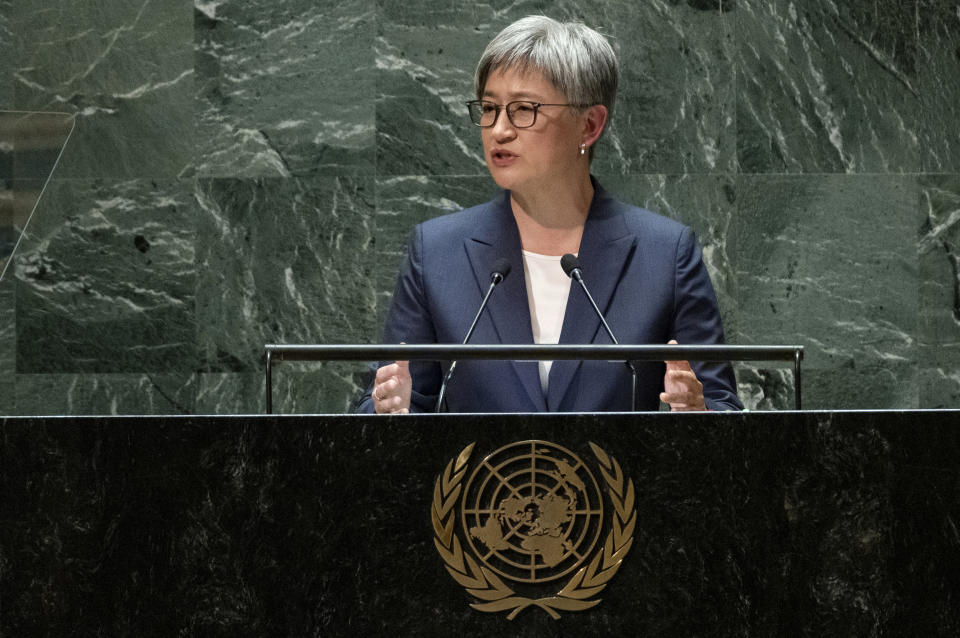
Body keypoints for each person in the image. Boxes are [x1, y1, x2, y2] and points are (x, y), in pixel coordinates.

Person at [357, 15, 741, 414]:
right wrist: (387, 410)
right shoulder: (437, 253)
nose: (499, 130)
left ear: (589, 125)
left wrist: (699, 414)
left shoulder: (664, 255)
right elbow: (387, 407)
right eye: (489, 108)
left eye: (524, 109)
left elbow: (724, 410)